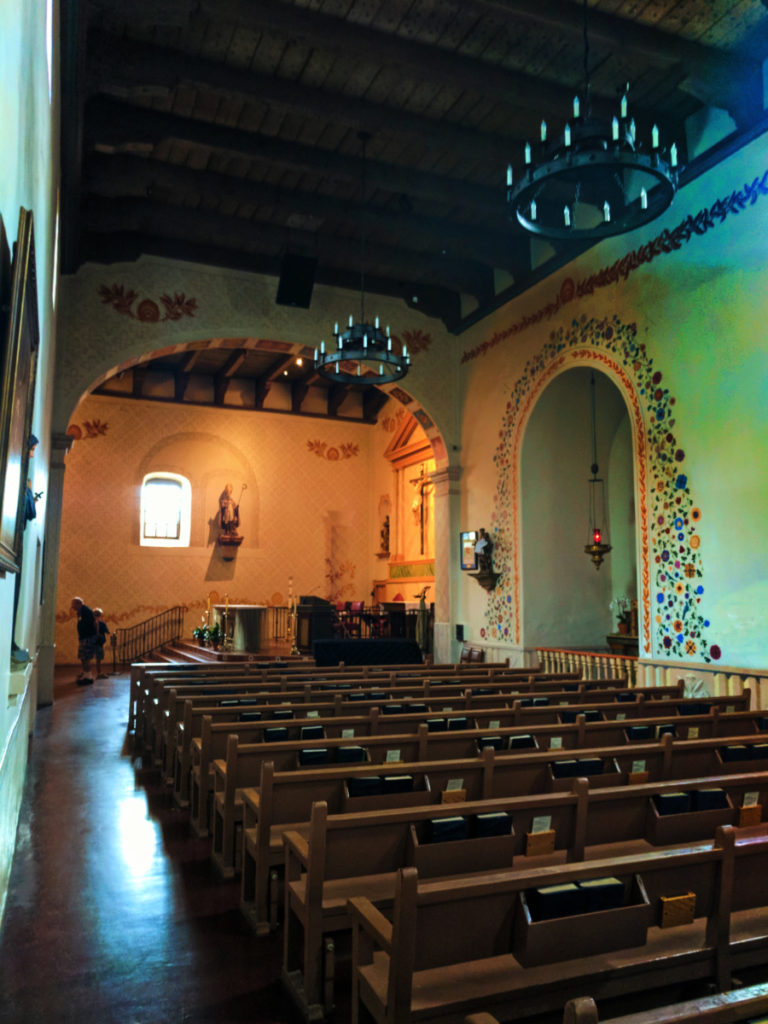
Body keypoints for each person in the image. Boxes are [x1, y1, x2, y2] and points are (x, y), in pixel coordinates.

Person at [11, 433, 40, 665]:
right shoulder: (18, 476)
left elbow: (30, 511)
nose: (31, 455)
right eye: (31, 450)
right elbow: (30, 512)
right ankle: (10, 644)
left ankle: (12, 644)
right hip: (13, 543)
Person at [71, 596, 98, 685]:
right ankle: (85, 673)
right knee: (83, 657)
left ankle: (88, 676)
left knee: (86, 657)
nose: (72, 607)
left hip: (88, 638)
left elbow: (94, 623)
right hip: (85, 638)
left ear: (79, 604)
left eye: (73, 604)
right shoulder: (82, 611)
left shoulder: (86, 611)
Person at [93, 607, 110, 679]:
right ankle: (99, 673)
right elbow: (107, 632)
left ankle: (87, 672)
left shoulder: (90, 623)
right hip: (99, 643)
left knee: (87, 658)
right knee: (98, 659)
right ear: (100, 615)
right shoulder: (102, 623)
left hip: (91, 642)